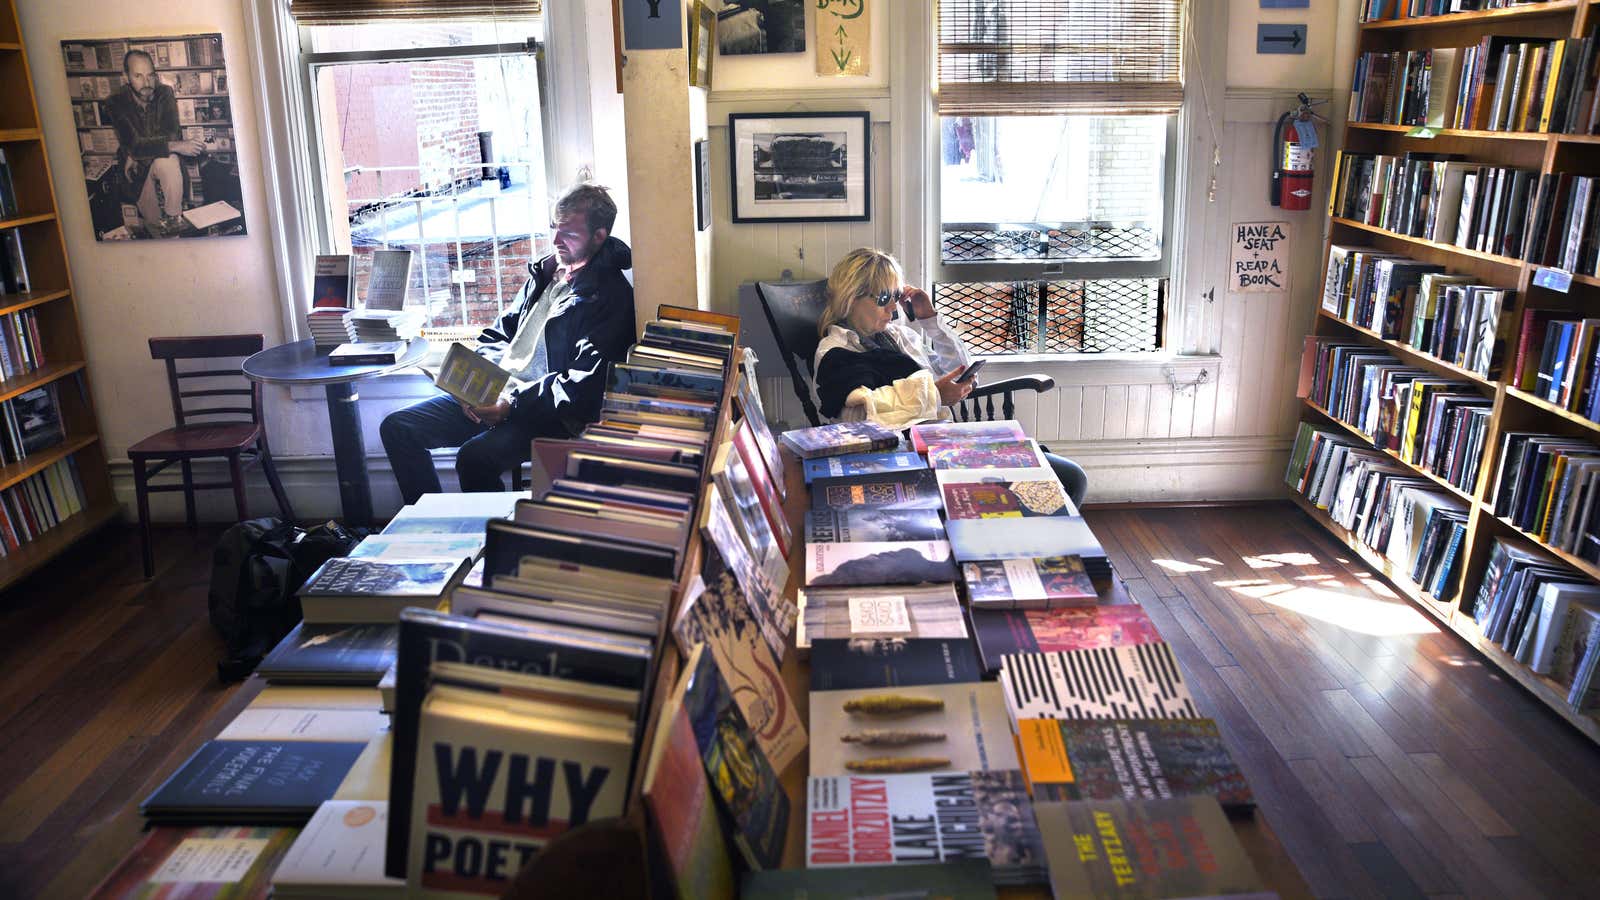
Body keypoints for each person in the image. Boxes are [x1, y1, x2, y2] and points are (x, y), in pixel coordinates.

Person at [380, 183, 635, 504]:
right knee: (399, 429)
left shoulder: (611, 298)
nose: (555, 241)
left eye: (568, 233)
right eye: (554, 229)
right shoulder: (545, 273)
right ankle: (431, 521)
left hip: (542, 410)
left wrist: (510, 404)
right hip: (496, 390)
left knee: (474, 458)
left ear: (599, 236)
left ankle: (491, 542)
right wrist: (472, 383)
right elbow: (500, 333)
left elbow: (582, 388)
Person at [812, 247, 1087, 507]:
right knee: (1069, 479)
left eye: (896, 296)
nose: (893, 309)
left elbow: (959, 370)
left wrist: (929, 319)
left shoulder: (898, 337)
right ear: (851, 298)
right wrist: (935, 395)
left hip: (945, 443)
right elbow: (856, 419)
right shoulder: (836, 354)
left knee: (1070, 477)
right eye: (884, 298)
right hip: (908, 459)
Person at [106, 49, 202, 228]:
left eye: (150, 75)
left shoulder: (164, 93)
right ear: (126, 77)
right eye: (138, 76)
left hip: (141, 160)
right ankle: (159, 233)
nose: (146, 82)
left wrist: (136, 153)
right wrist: (135, 150)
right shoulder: (115, 102)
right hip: (136, 172)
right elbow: (135, 145)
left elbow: (169, 133)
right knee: (154, 223)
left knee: (169, 159)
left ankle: (175, 219)